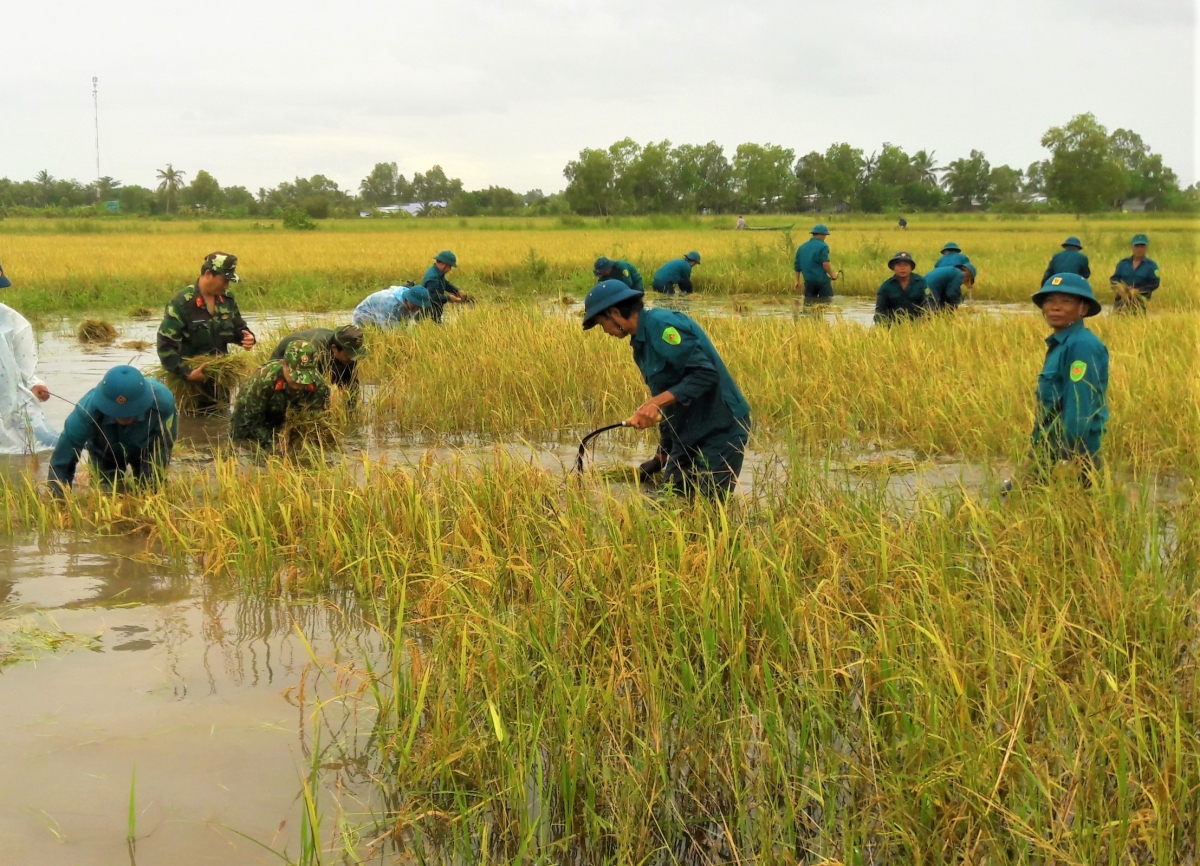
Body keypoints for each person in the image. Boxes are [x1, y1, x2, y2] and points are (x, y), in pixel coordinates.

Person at [581, 280, 751, 499]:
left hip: (721, 427)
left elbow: (705, 374)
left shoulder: (662, 325)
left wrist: (653, 404)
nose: (604, 331)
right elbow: (671, 401)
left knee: (709, 510)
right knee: (667, 502)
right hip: (688, 428)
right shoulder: (640, 345)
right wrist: (661, 456)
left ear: (614, 312)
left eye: (601, 323)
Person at [1028, 273, 1108, 484]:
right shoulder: (1062, 344)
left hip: (1073, 456)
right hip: (1047, 450)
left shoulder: (1081, 346)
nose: (1056, 307)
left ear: (1083, 309)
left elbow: (1079, 408)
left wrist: (1069, 458)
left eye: (1066, 301)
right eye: (1050, 300)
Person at [48, 365, 177, 494]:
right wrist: (59, 504)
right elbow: (62, 462)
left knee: (151, 490)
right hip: (104, 454)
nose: (124, 417)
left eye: (130, 412)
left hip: (147, 450)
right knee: (106, 494)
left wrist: (152, 477)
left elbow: (164, 445)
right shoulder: (85, 412)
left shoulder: (163, 404)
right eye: (118, 412)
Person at [156, 252, 256, 415]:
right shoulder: (182, 303)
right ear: (209, 274)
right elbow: (165, 346)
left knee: (220, 422)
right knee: (189, 426)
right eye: (225, 281)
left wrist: (248, 338)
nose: (227, 286)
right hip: (188, 385)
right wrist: (188, 373)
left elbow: (239, 328)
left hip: (219, 379)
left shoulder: (227, 299)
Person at [230, 340, 331, 450]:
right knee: (242, 446)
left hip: (283, 415)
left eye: (305, 375)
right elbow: (250, 421)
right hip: (251, 415)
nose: (300, 381)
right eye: (296, 374)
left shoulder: (319, 385)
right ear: (284, 364)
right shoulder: (263, 380)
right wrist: (273, 443)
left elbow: (316, 420)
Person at [0, 296, 58, 454]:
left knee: (40, 447)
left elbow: (20, 359)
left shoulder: (9, 319)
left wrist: (33, 383)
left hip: (8, 397)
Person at [270, 325, 367, 391]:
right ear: (334, 348)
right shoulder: (312, 351)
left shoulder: (346, 352)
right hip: (286, 359)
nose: (352, 359)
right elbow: (306, 383)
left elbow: (350, 383)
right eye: (349, 355)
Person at [874, 252, 935, 323]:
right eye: (899, 265)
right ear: (894, 267)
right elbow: (880, 311)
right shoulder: (886, 286)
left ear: (911, 267)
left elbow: (929, 305)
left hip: (917, 324)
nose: (903, 268)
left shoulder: (921, 282)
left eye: (906, 265)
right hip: (893, 325)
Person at [1110, 233, 1161, 313]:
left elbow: (1155, 283)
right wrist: (1119, 287)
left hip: (1140, 301)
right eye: (1137, 246)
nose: (1139, 249)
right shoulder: (1123, 263)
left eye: (1142, 246)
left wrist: (1139, 290)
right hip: (1121, 300)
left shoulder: (1151, 266)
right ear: (1132, 247)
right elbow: (1114, 279)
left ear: (1146, 248)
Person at [793, 223, 839, 304]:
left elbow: (797, 266)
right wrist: (832, 275)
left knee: (808, 304)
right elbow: (825, 263)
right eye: (825, 235)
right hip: (822, 282)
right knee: (827, 303)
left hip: (809, 282)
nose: (825, 238)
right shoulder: (823, 246)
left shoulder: (802, 247)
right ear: (820, 235)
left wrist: (797, 281)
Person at [352, 286, 432, 327]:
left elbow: (406, 322)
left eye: (420, 307)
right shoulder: (389, 303)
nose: (419, 309)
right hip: (364, 315)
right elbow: (389, 330)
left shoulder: (411, 303)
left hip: (382, 313)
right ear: (410, 300)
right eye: (417, 306)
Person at [422, 250, 466, 322]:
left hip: (434, 308)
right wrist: (449, 298)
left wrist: (457, 290)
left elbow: (445, 284)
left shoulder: (437, 272)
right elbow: (432, 296)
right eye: (450, 266)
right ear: (443, 264)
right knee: (431, 326)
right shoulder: (433, 277)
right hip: (429, 310)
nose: (450, 269)